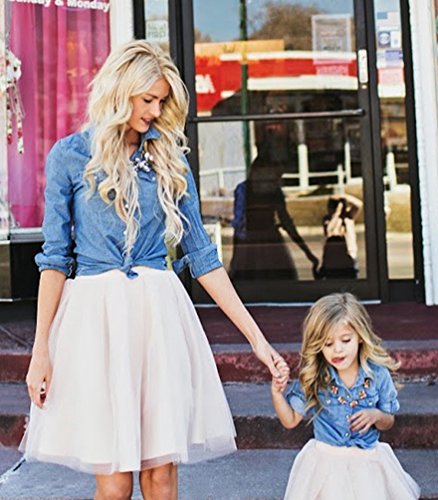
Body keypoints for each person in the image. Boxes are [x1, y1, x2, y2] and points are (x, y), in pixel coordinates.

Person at [21, 40, 288, 500]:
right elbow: (54, 260)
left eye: (161, 101)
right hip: (96, 323)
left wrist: (257, 341)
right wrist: (40, 350)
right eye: (148, 100)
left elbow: (202, 256)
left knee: (160, 475)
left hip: (157, 318)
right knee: (115, 481)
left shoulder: (168, 158)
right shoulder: (69, 156)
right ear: (120, 92)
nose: (155, 110)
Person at [271, 293, 420, 500]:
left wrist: (376, 415)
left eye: (345, 340)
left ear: (360, 336)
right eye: (328, 344)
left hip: (368, 466)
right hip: (326, 464)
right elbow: (290, 420)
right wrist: (277, 394)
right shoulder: (316, 377)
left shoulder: (377, 375)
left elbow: (388, 421)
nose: (337, 349)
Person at [317, 193, 363, 279]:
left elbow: (359, 204)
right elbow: (329, 230)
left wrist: (344, 196)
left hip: (349, 257)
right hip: (332, 259)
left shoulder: (348, 218)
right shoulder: (327, 219)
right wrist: (337, 214)